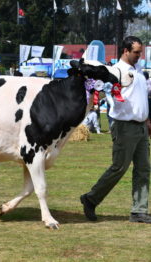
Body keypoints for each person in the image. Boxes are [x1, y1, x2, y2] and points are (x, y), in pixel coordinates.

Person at [80, 36, 151, 223]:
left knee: (143, 169)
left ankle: (139, 210)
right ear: (125, 51)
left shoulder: (138, 70)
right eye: (136, 52)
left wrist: (147, 120)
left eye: (140, 52)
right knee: (119, 168)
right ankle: (90, 199)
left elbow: (141, 97)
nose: (139, 55)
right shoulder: (115, 71)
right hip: (124, 126)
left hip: (141, 127)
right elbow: (102, 90)